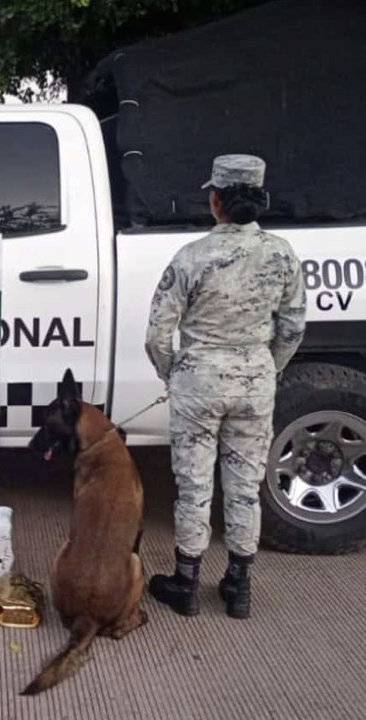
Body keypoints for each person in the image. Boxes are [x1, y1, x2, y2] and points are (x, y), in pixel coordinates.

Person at [144, 154, 307, 620]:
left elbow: (157, 335)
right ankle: (238, 587)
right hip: (255, 380)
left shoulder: (191, 257)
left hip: (199, 380)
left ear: (214, 200)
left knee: (193, 483)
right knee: (245, 486)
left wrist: (173, 373)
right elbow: (293, 326)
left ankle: (186, 582)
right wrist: (265, 367)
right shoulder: (281, 254)